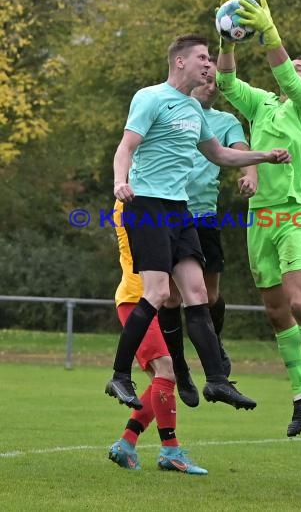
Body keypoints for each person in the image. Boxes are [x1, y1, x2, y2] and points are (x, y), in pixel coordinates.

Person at [105, 33, 291, 412]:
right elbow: (126, 147)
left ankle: (218, 382)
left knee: (198, 295)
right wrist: (120, 182)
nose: (209, 65)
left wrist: (264, 157)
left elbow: (220, 154)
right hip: (146, 205)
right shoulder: (151, 97)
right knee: (157, 294)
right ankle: (119, 376)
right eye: (203, 58)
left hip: (180, 210)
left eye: (210, 58)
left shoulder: (194, 113)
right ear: (180, 62)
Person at [216, 0, 301, 437]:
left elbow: (282, 70)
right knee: (274, 311)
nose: (295, 70)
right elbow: (228, 83)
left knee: (300, 302)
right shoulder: (264, 105)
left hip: (294, 216)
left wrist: (271, 35)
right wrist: (226, 40)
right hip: (260, 219)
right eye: (295, 66)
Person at [158, 56, 256, 396]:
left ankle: (214, 347)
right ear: (192, 77)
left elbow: (240, 151)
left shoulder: (225, 120)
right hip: (169, 212)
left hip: (204, 217)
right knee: (171, 297)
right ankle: (180, 367)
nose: (212, 87)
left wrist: (251, 172)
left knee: (209, 294)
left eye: (217, 83)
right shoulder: (169, 109)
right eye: (207, 80)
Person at [108, 199, 207, 474]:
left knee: (162, 380)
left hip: (147, 302)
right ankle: (170, 451)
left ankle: (127, 444)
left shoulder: (146, 200)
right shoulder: (133, 203)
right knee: (166, 371)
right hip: (136, 300)